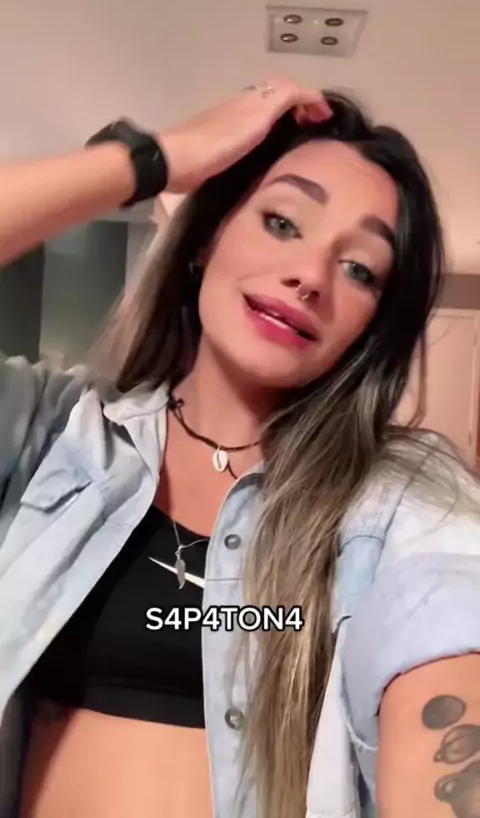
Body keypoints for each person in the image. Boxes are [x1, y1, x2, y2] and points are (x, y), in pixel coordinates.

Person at [0, 77, 480, 818]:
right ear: (205, 239)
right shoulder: (49, 431)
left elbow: (447, 636)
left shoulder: (400, 498)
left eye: (360, 269)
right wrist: (154, 158)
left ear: (371, 327)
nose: (310, 276)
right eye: (282, 222)